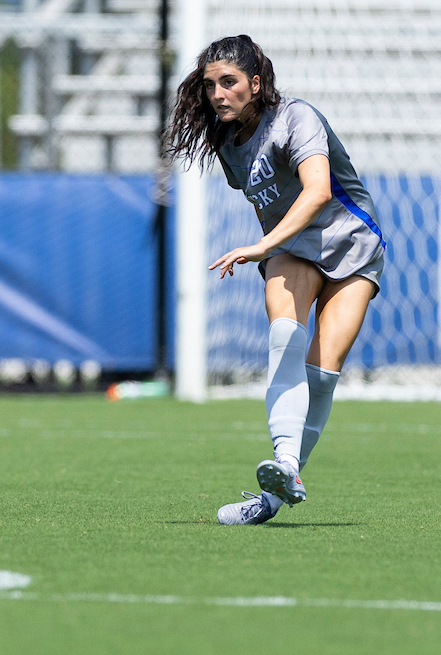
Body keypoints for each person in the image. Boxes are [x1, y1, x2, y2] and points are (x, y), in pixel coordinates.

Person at [163, 35, 386, 525]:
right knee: (285, 336)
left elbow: (318, 191)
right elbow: (269, 203)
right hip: (292, 247)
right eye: (210, 86)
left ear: (256, 83)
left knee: (321, 374)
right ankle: (284, 462)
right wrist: (273, 248)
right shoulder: (227, 144)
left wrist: (261, 246)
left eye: (228, 82)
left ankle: (273, 499)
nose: (217, 94)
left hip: (352, 242)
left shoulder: (296, 117)